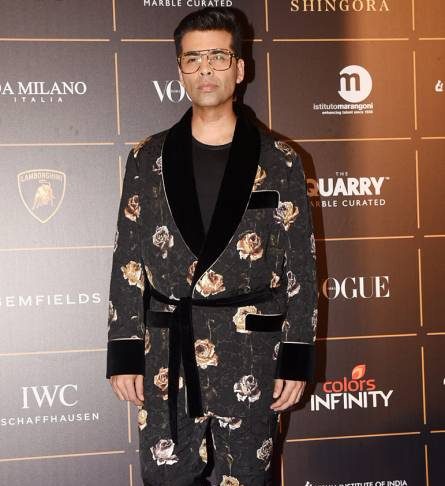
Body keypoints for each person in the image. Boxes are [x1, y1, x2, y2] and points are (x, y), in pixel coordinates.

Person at [106, 7, 318, 486]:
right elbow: (128, 261)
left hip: (251, 356)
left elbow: (302, 269)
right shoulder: (146, 158)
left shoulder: (281, 160)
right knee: (166, 478)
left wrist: (296, 355)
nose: (205, 69)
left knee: (246, 479)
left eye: (218, 57)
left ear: (239, 69)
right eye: (193, 58)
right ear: (180, 69)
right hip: (167, 356)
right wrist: (124, 352)